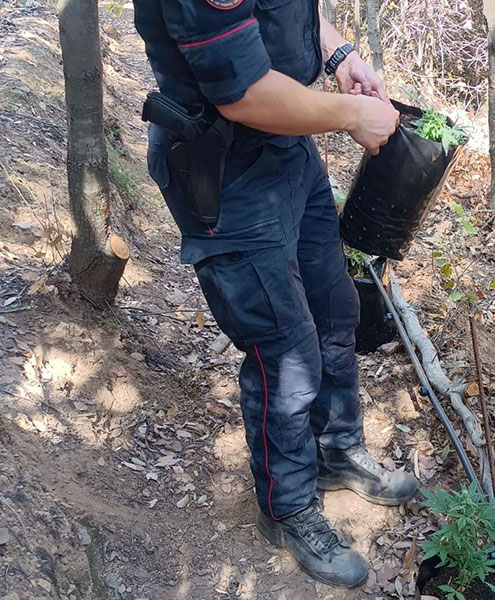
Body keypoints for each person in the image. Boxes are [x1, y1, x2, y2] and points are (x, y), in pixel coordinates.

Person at [133, 0, 417, 588]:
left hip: (289, 153)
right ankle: (286, 506)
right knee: (284, 351)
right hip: (225, 169)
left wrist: (341, 56)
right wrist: (348, 116)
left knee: (334, 308)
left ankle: (336, 448)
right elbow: (244, 93)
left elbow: (292, 13)